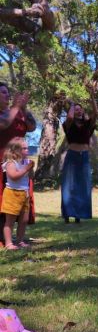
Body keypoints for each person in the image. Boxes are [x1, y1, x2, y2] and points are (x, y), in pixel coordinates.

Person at [0, 84, 37, 226]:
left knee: (21, 203)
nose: (7, 95)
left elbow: (32, 126)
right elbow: (4, 124)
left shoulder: (16, 112)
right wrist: (16, 107)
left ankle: (16, 237)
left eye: (8, 92)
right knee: (4, 201)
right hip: (3, 165)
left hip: (20, 165)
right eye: (3, 92)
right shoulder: (8, 114)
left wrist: (23, 108)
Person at [61, 96, 97, 224]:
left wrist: (92, 97)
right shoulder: (68, 125)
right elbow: (70, 117)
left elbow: (96, 113)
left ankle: (79, 215)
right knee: (69, 186)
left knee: (83, 186)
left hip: (84, 157)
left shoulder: (87, 125)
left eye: (80, 109)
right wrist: (71, 104)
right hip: (72, 157)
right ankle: (67, 214)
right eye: (76, 109)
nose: (78, 111)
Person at [2, 138, 33, 249]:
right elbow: (14, 176)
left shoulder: (26, 162)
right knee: (10, 221)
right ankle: (9, 243)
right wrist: (26, 169)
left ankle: (20, 241)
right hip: (12, 194)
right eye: (24, 148)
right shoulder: (10, 163)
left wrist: (31, 169)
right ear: (15, 150)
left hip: (24, 193)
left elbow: (30, 177)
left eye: (27, 148)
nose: (27, 150)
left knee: (24, 220)